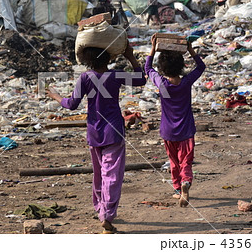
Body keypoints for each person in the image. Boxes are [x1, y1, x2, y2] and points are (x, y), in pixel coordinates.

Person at [47, 44, 146, 233]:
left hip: (94, 132)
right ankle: (107, 214)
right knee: (112, 174)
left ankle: (101, 209)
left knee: (99, 173)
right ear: (109, 58)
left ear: (87, 61)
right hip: (114, 131)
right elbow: (141, 80)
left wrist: (55, 96)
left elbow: (71, 105)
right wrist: (131, 57)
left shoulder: (85, 78)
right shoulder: (115, 75)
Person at [144, 36, 206, 207]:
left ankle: (178, 188)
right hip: (186, 130)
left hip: (168, 131)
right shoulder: (186, 82)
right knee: (186, 160)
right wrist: (191, 50)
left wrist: (153, 48)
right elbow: (201, 67)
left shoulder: (162, 83)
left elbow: (148, 68)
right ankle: (186, 181)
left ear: (162, 68)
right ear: (181, 65)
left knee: (173, 161)